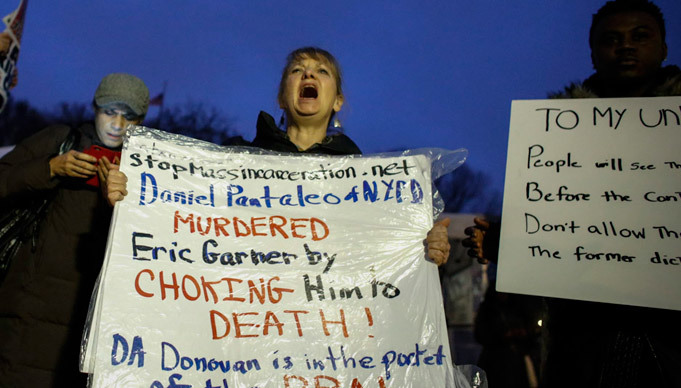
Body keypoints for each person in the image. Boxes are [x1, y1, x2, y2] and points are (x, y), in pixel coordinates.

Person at [464, 1, 681, 387]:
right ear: (593, 52)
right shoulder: (556, 135)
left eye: (640, 36)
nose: (625, 47)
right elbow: (558, 236)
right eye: (611, 39)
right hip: (584, 344)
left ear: (665, 47)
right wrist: (509, 244)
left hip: (676, 344)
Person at [107, 47, 451, 265]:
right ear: (282, 98)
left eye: (322, 70)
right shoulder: (234, 159)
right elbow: (181, 216)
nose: (309, 74)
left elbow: (386, 254)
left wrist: (425, 245)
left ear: (337, 102)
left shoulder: (368, 181)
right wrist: (133, 191)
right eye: (297, 69)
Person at [0, 73, 149, 386]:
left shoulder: (146, 169)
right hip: (26, 316)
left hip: (93, 331)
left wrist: (123, 203)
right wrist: (50, 168)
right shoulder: (58, 140)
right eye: (110, 112)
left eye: (129, 117)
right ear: (94, 108)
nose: (117, 125)